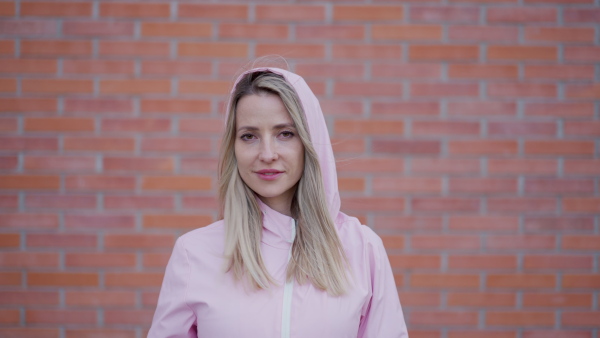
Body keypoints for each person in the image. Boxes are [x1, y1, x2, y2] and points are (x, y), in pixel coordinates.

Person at [148, 67, 409, 337]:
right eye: (249, 136)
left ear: (309, 141)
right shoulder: (195, 253)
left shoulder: (362, 249)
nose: (267, 153)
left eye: (285, 133)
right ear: (233, 147)